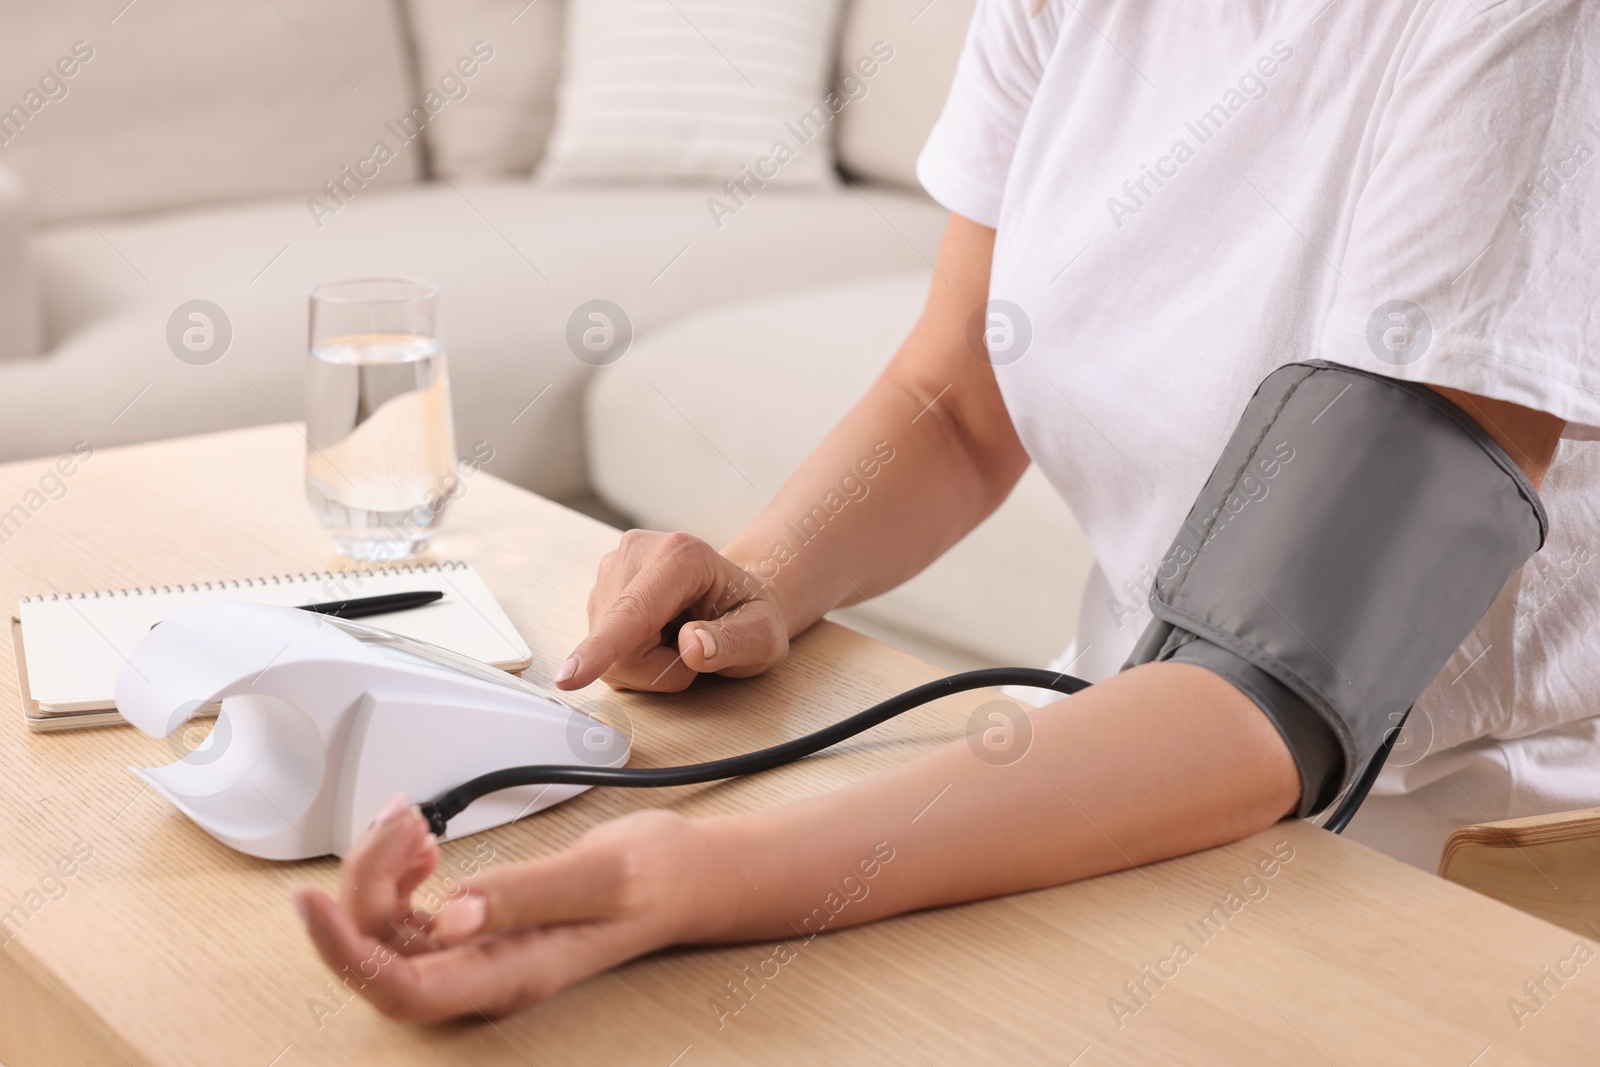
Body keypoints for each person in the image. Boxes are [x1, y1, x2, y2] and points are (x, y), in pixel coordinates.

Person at [293, 0, 1598, 1021]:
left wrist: (705, 882)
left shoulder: (1517, 27)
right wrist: (769, 568)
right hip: (1124, 747)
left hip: (1455, 849)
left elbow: (1278, 689)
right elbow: (957, 391)